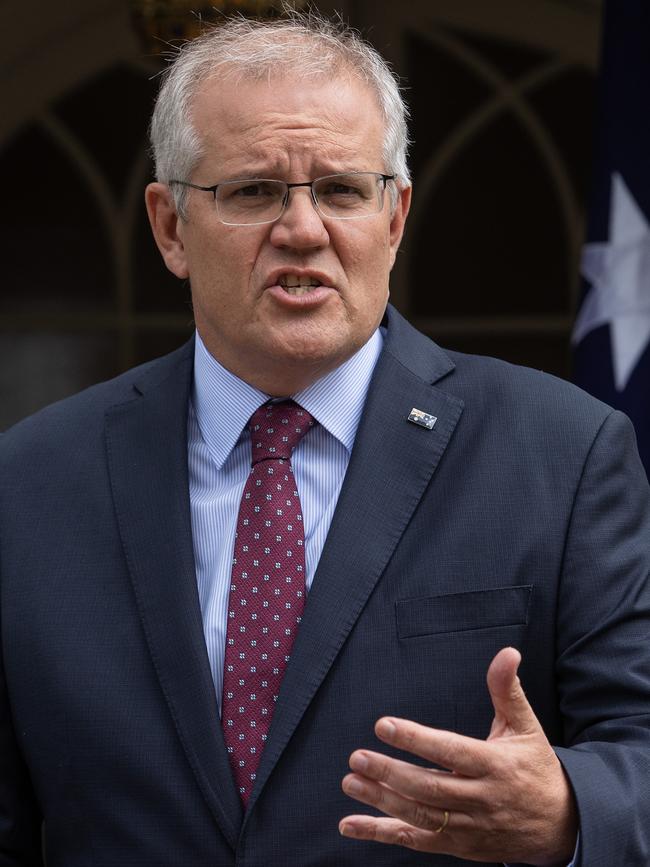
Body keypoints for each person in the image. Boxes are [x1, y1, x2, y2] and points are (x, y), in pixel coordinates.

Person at [1, 11, 649, 867]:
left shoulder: (563, 452)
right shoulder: (31, 481)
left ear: (396, 215)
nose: (302, 228)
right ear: (169, 227)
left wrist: (569, 811)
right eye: (253, 191)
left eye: (342, 190)